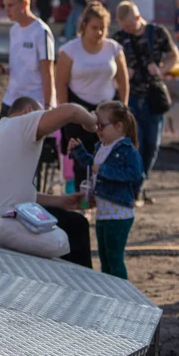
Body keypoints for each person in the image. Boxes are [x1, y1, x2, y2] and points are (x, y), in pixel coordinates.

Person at [0, 96, 97, 268]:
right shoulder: (22, 124)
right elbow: (71, 111)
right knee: (76, 226)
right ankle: (80, 289)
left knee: (64, 220)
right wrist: (91, 122)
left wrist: (61, 202)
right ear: (29, 111)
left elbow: (14, 192)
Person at [113, 1, 179, 203]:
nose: (128, 31)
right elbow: (109, 66)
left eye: (131, 27)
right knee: (136, 144)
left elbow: (174, 55)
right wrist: (122, 75)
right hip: (131, 97)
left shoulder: (157, 33)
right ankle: (134, 187)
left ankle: (140, 182)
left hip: (153, 97)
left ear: (138, 18)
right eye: (124, 28)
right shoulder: (118, 39)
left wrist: (161, 70)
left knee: (152, 144)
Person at [68, 101, 144, 280]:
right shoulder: (100, 147)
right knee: (104, 258)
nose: (98, 130)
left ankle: (122, 296)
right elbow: (91, 166)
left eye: (101, 125)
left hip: (119, 215)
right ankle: (110, 294)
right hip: (103, 214)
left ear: (119, 126)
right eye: (96, 126)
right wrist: (79, 151)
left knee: (115, 259)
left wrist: (103, 171)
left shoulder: (127, 150)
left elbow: (135, 174)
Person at [56, 2, 128, 164]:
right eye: (94, 28)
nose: (99, 32)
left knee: (111, 159)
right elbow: (61, 84)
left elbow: (123, 81)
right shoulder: (69, 50)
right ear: (84, 26)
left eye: (103, 28)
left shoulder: (114, 48)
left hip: (108, 110)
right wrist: (65, 113)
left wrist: (123, 107)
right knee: (82, 163)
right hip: (79, 110)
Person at [0, 0, 55, 119]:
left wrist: (48, 107)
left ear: (24, 4)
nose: (7, 10)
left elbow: (48, 73)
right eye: (5, 5)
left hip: (33, 103)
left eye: (11, 5)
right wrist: (2, 70)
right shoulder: (14, 30)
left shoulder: (41, 32)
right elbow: (20, 67)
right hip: (11, 99)